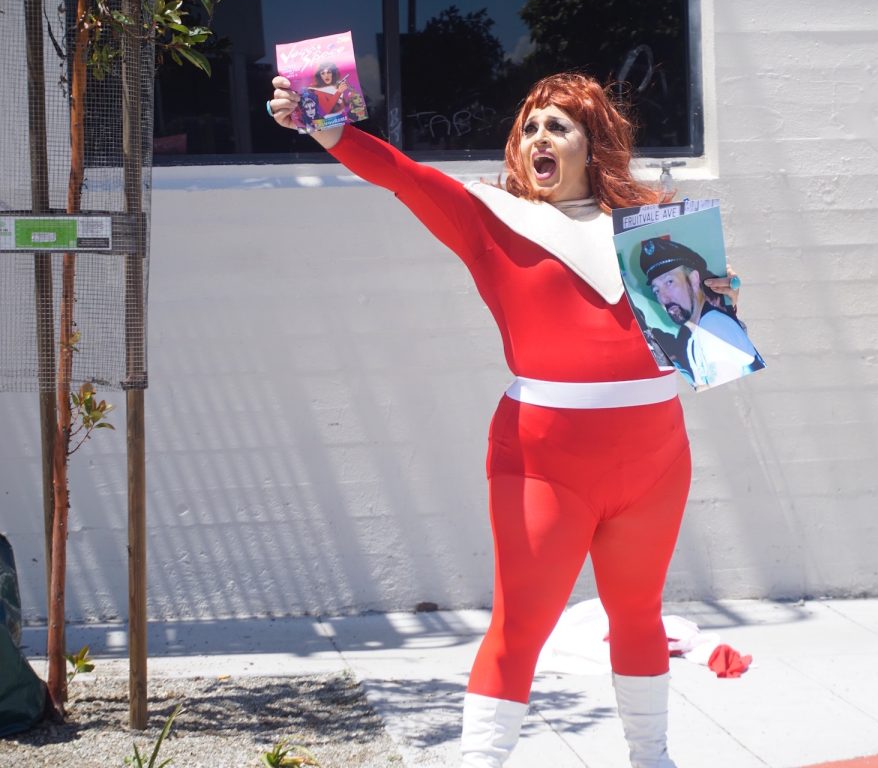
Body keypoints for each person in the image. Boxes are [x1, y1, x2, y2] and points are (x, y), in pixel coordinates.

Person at [269, 71, 741, 767]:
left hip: (655, 454)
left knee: (638, 616)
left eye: (557, 126)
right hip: (542, 455)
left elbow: (702, 338)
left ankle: (653, 758)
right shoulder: (489, 215)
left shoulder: (655, 225)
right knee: (520, 624)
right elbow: (401, 175)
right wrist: (321, 124)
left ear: (594, 141)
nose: (537, 139)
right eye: (528, 128)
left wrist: (717, 301)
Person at [640, 237, 764, 389]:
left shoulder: (712, 326)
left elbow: (724, 396)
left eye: (669, 282)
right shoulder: (696, 332)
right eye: (656, 290)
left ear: (693, 279)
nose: (664, 298)